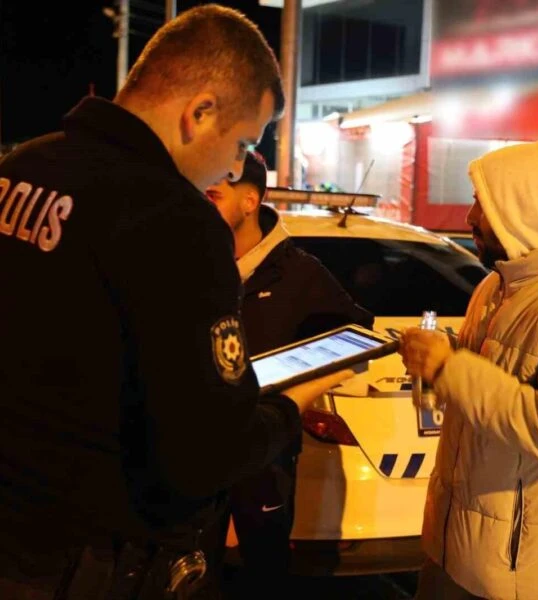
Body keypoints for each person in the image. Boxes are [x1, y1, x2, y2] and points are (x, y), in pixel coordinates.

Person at [0, 5, 353, 599]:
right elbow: (204, 454)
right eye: (242, 143)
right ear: (200, 113)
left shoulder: (24, 167)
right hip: (93, 562)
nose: (236, 166)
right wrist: (289, 409)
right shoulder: (174, 220)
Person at [399, 140, 538, 600]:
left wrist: (451, 367)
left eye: (481, 204)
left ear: (520, 209)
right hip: (454, 551)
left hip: (531, 577)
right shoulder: (495, 286)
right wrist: (442, 357)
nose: (470, 218)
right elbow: (486, 389)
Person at [205, 151, 373, 594]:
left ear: (249, 202)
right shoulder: (196, 265)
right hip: (201, 447)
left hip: (266, 453)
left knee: (263, 571)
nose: (203, 205)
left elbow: (354, 335)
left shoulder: (298, 273)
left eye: (214, 195)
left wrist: (296, 387)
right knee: (196, 569)